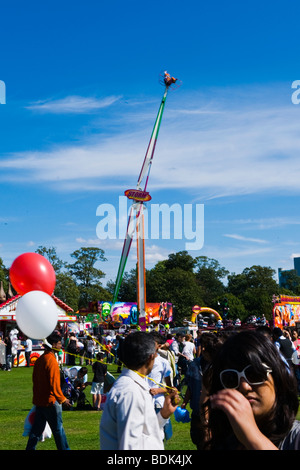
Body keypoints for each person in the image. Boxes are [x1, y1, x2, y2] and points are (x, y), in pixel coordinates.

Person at [200, 330, 300, 450]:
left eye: (254, 374)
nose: (244, 387)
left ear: (277, 378)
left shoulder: (296, 438)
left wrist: (253, 438)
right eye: (231, 378)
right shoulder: (225, 441)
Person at [100, 331, 179, 450]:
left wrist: (163, 415)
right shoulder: (130, 392)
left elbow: (145, 434)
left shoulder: (133, 386)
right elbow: (130, 446)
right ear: (151, 357)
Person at [26, 332, 71, 450]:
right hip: (51, 402)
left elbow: (35, 380)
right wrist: (63, 399)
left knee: (36, 431)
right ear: (54, 345)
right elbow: (54, 384)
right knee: (58, 430)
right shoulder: (51, 361)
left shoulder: (41, 359)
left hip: (40, 400)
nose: (61, 346)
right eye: (60, 343)